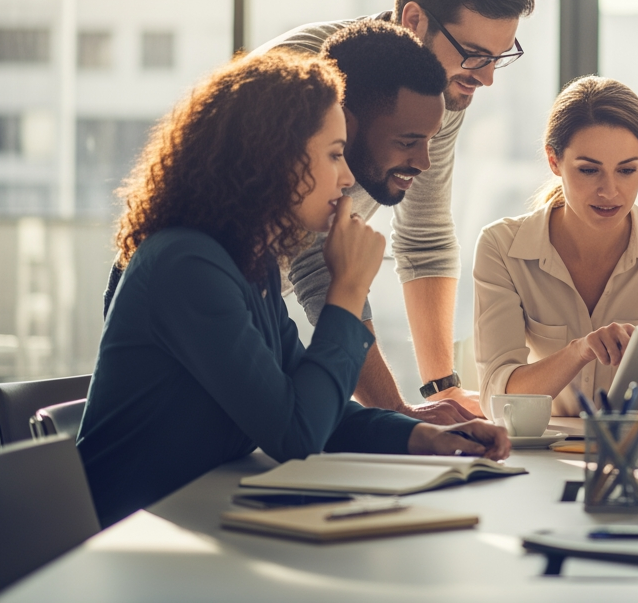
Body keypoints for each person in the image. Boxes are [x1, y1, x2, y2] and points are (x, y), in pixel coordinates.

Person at [77, 51, 508, 528]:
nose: (346, 178)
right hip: (124, 542)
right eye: (333, 155)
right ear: (273, 158)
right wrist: (346, 289)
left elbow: (310, 404)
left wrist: (421, 435)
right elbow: (297, 433)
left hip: (197, 520)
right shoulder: (188, 265)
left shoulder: (250, 265)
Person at [259, 0, 536, 418]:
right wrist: (399, 417)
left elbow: (424, 235)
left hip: (257, 291)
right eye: (474, 54)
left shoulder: (445, 89)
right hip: (201, 285)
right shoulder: (310, 80)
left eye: (500, 57)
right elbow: (316, 258)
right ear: (414, 20)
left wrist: (441, 390)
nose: (487, 77)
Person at [473, 76, 638, 417]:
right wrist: (579, 351)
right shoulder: (501, 247)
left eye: (627, 170)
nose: (609, 191)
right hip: (545, 453)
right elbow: (500, 400)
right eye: (588, 170)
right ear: (554, 161)